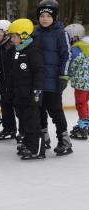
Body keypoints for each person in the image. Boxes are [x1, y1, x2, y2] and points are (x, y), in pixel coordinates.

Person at [34, 0, 73, 156]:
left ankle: (64, 140)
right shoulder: (35, 32)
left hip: (54, 81)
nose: (44, 19)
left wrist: (63, 76)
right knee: (39, 111)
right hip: (37, 81)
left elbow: (67, 55)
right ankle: (43, 137)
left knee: (56, 112)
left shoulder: (61, 33)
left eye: (48, 16)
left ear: (54, 17)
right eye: (42, 15)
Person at [8, 18, 46, 160]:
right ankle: (28, 143)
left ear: (24, 36)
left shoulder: (33, 50)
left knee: (32, 122)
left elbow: (39, 71)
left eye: (14, 36)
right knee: (23, 120)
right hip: (20, 94)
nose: (12, 39)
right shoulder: (17, 50)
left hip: (31, 94)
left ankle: (37, 149)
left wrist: (37, 90)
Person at [0, 19, 19, 141]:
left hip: (16, 84)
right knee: (5, 106)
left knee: (19, 109)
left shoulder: (14, 48)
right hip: (4, 83)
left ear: (6, 35)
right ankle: (9, 129)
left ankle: (24, 132)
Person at [65, 23, 89, 140]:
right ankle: (85, 122)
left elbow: (70, 66)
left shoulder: (75, 50)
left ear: (74, 37)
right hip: (86, 81)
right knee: (84, 103)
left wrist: (65, 75)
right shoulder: (86, 46)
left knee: (80, 104)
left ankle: (83, 126)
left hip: (82, 82)